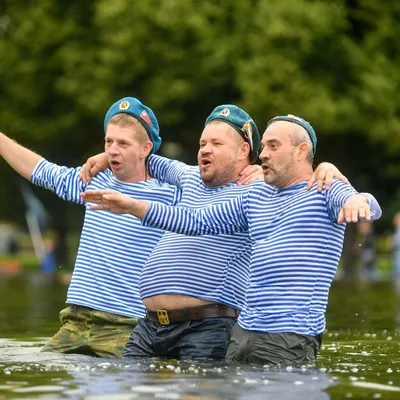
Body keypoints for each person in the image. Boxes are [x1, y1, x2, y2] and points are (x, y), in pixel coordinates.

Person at [83, 114, 382, 366]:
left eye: (272, 146)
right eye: (262, 146)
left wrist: (357, 200)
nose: (262, 153)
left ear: (301, 151)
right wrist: (131, 205)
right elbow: (194, 221)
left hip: (290, 337)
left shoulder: (325, 188)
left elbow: (366, 203)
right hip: (242, 334)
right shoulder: (255, 196)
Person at [0, 97, 182, 358]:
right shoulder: (92, 179)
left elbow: (204, 179)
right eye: (109, 142)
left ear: (146, 148)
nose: (113, 150)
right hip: (76, 321)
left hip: (127, 326)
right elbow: (40, 171)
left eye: (123, 143)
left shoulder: (169, 194)